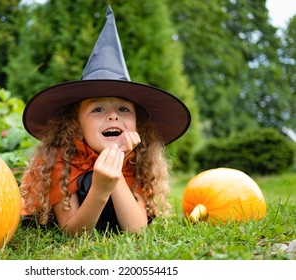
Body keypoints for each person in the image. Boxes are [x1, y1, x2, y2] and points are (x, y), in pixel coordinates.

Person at [20, 5, 191, 236]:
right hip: (75, 222)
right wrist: (100, 188)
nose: (113, 116)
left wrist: (117, 171)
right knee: (89, 180)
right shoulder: (60, 158)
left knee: (99, 178)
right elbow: (73, 233)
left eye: (123, 109)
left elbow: (137, 231)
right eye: (98, 109)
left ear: (136, 126)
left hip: (119, 216)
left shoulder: (138, 158)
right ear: (76, 127)